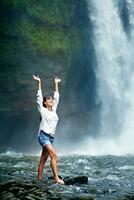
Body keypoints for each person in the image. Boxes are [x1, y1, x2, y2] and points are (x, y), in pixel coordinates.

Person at [33, 75, 64, 184]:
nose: (51, 100)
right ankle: (56, 178)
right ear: (45, 103)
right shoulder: (43, 110)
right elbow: (39, 97)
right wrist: (39, 82)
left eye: (51, 99)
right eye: (48, 99)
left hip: (50, 138)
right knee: (54, 155)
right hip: (43, 136)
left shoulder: (54, 109)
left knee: (43, 160)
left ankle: (39, 179)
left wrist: (56, 83)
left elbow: (57, 96)